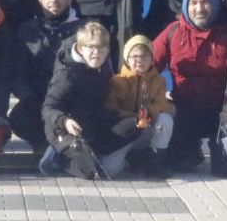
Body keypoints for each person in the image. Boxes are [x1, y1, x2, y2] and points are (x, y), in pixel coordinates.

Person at [152, 0, 227, 173]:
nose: (200, 8)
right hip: (184, 110)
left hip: (222, 110)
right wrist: (158, 100)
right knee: (178, 164)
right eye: (193, 3)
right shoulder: (173, 32)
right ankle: (190, 152)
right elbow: (148, 68)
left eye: (205, 2)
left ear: (214, 4)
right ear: (186, 6)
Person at [41, 21, 149, 179]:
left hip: (93, 125)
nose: (96, 52)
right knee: (91, 172)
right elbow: (48, 108)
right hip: (64, 130)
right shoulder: (67, 75)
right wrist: (65, 121)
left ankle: (95, 154)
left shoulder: (104, 68)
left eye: (101, 47)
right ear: (80, 48)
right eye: (91, 47)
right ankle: (56, 158)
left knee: (133, 125)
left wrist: (131, 116)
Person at [7, 0, 81, 156]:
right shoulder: (27, 30)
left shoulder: (84, 31)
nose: (53, 0)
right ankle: (44, 147)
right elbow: (16, 73)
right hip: (37, 103)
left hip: (71, 104)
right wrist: (29, 98)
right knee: (19, 117)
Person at [108, 34, 175, 162]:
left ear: (151, 59)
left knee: (165, 119)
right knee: (111, 168)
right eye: (134, 56)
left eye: (144, 56)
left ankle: (155, 159)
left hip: (147, 129)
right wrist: (133, 117)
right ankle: (131, 160)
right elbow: (110, 106)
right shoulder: (116, 81)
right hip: (126, 130)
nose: (139, 61)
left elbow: (162, 104)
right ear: (127, 59)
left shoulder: (159, 81)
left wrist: (149, 111)